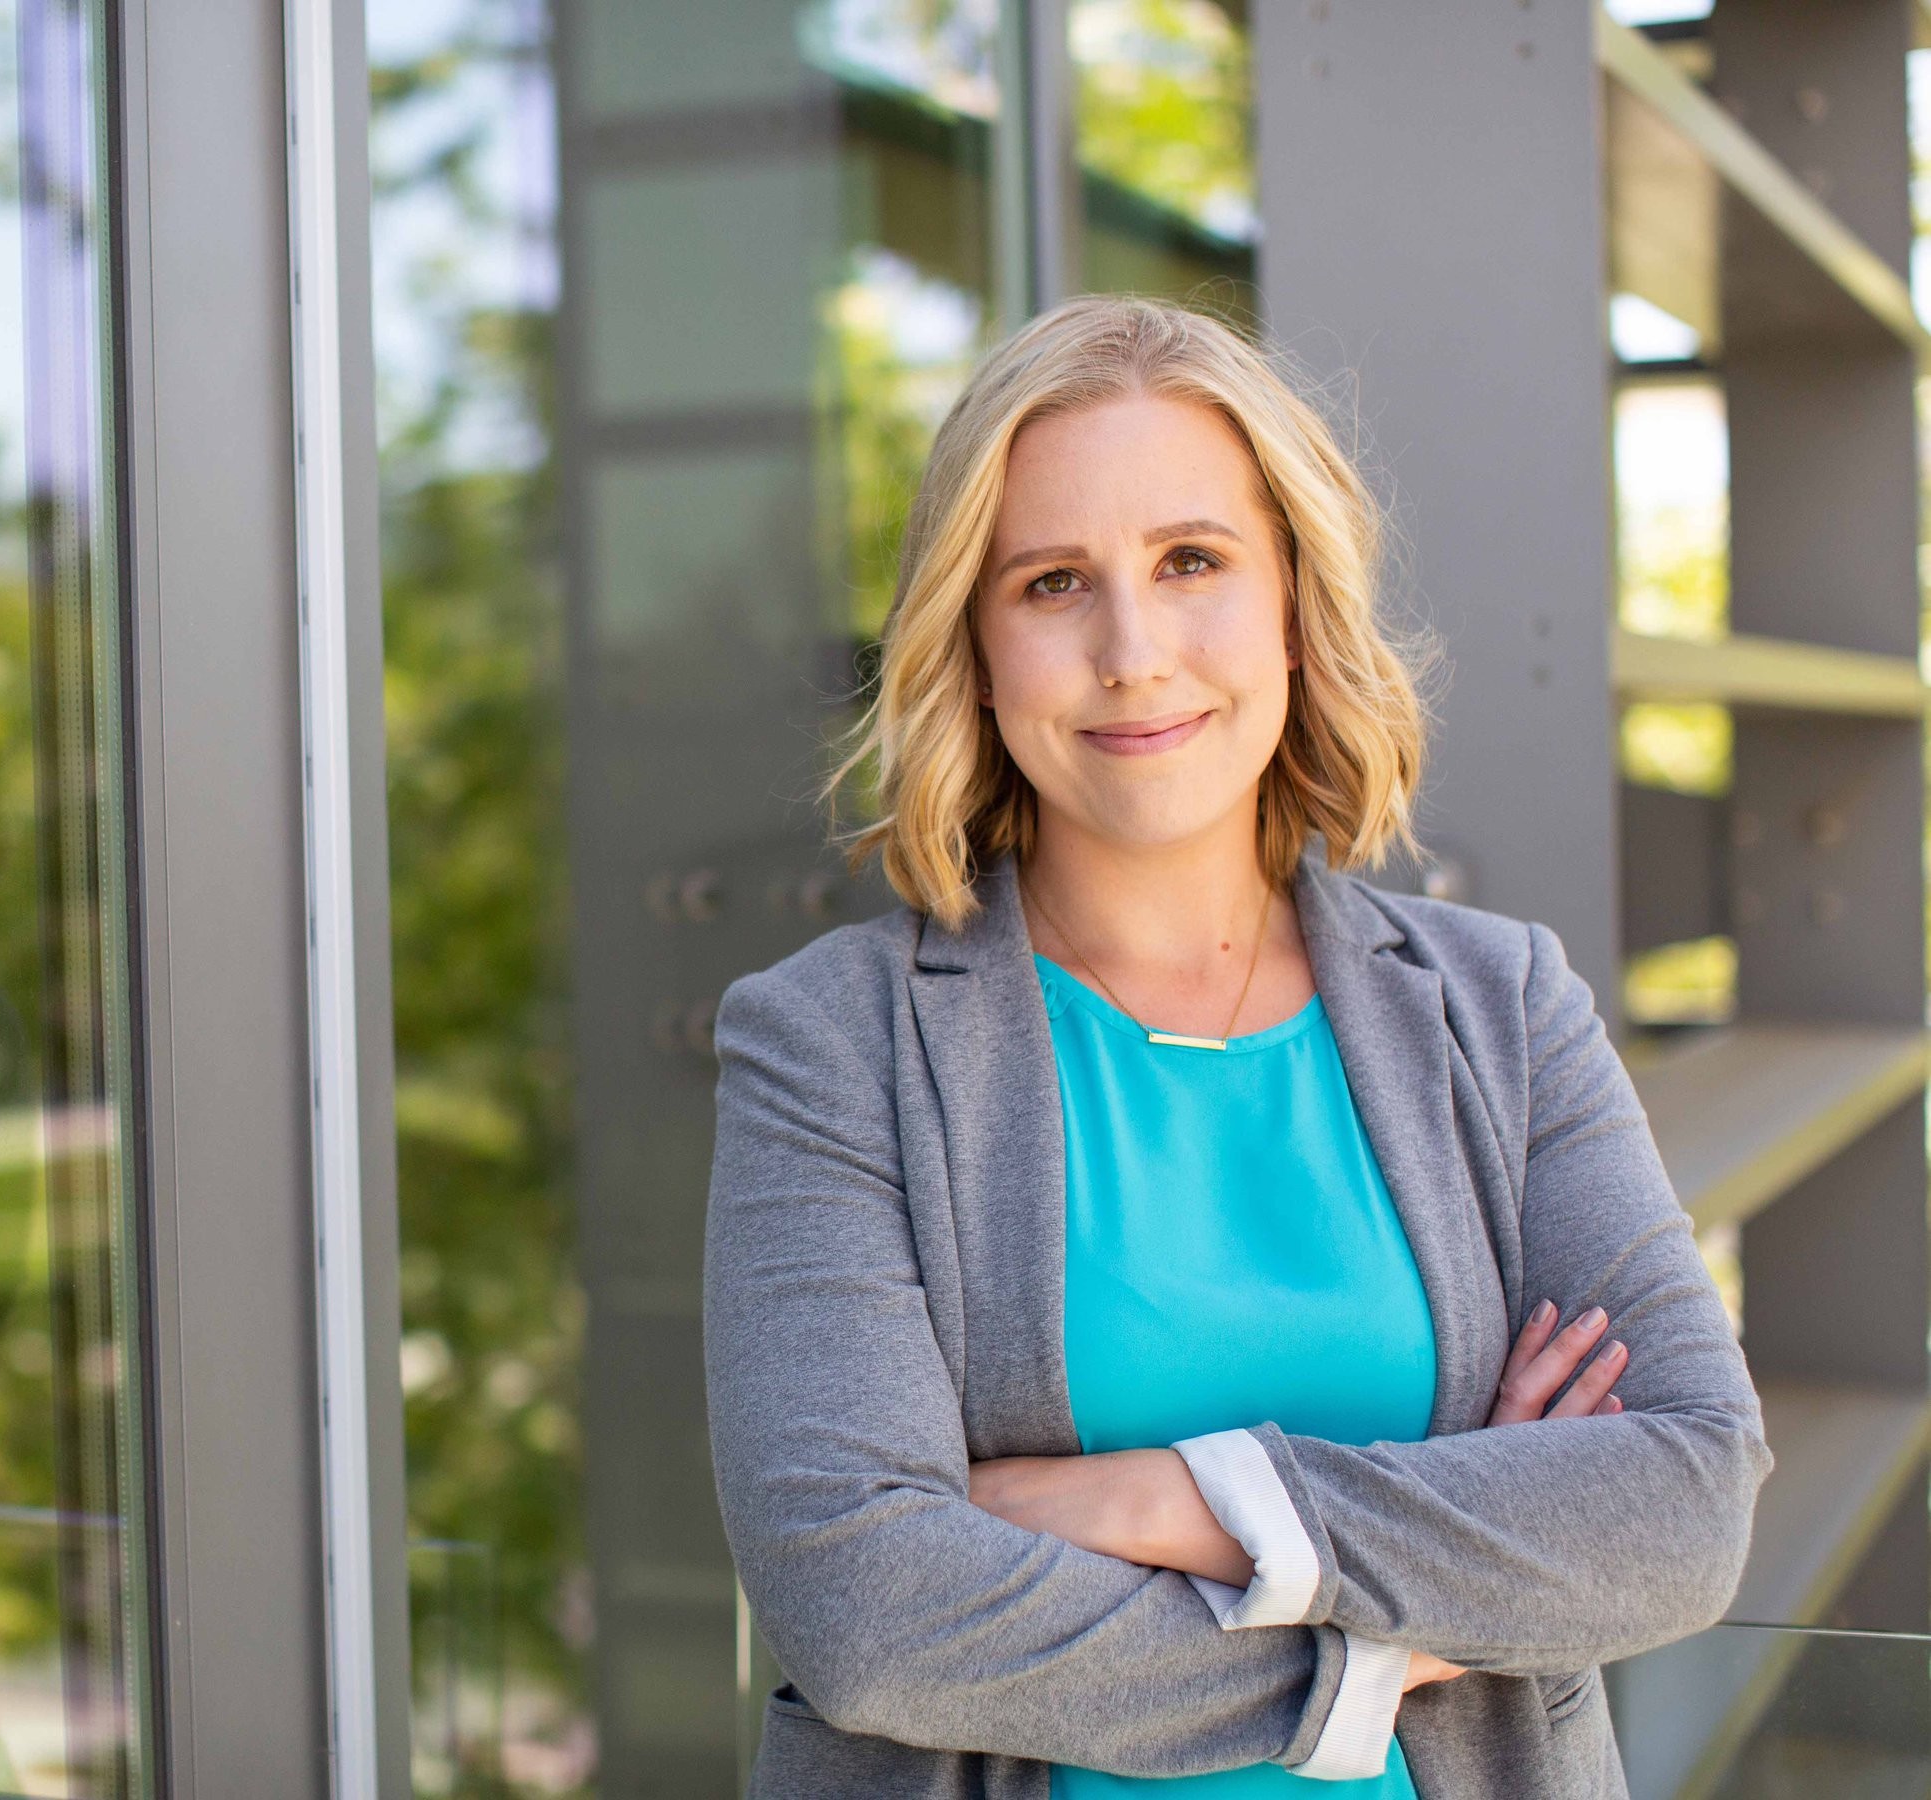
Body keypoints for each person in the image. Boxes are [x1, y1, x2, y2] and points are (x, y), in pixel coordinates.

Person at [703, 296, 1769, 1797]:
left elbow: (1683, 1500)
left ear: (1291, 601)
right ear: (976, 647)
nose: (1134, 652)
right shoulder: (834, 1048)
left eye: (1192, 562)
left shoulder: (1500, 1007)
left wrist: (1175, 1500)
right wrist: (1402, 1629)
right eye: (1054, 582)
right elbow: (868, 1614)